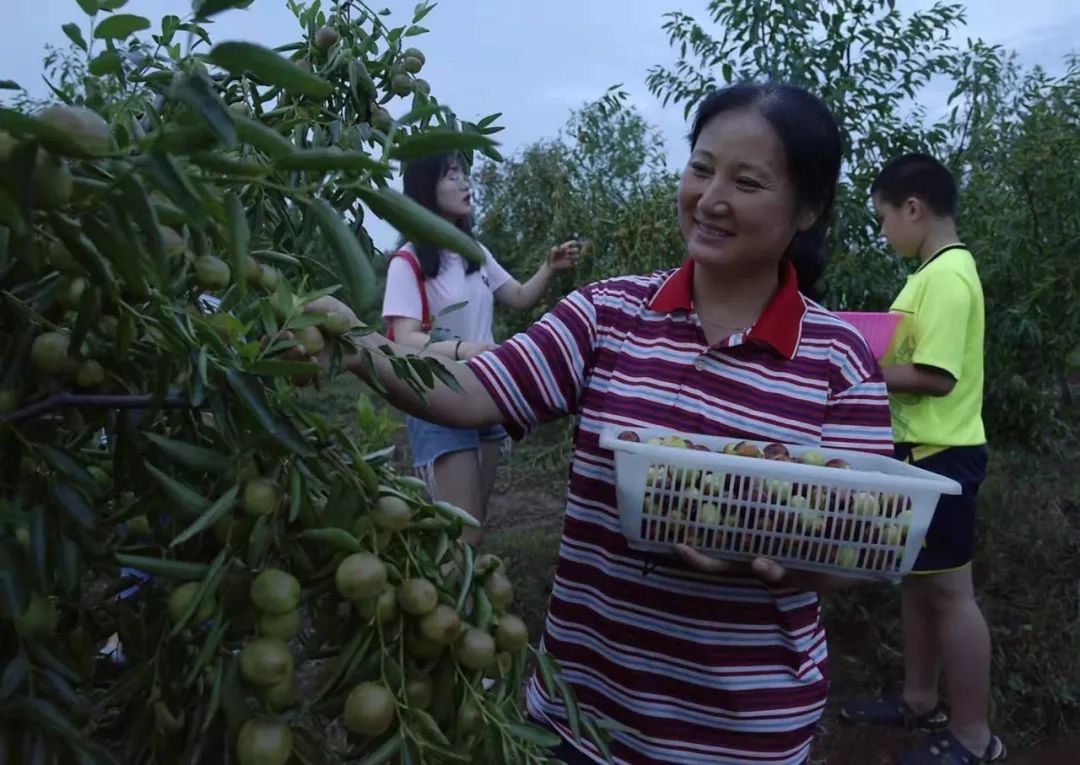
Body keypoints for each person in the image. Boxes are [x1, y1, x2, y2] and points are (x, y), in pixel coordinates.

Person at [305, 82, 894, 764]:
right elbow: (473, 390)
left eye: (748, 180)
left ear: (809, 208)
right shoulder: (609, 314)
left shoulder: (837, 356)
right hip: (578, 720)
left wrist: (791, 561)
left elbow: (865, 530)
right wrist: (354, 343)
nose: (711, 198)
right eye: (701, 167)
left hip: (742, 735)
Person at [840, 154, 1005, 764]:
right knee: (919, 582)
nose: (885, 233)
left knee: (950, 595)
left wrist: (861, 367)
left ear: (914, 208)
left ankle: (973, 737)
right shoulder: (933, 272)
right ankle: (917, 699)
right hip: (923, 453)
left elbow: (935, 376)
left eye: (885, 218)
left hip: (945, 456)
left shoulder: (948, 277)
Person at [381, 151, 580, 544]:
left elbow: (520, 297)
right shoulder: (407, 262)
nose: (464, 183)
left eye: (464, 174)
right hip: (438, 395)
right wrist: (464, 349)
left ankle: (462, 601)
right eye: (451, 174)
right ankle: (442, 600)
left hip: (487, 391)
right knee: (462, 533)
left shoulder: (475, 253)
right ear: (424, 188)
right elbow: (403, 340)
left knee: (476, 524)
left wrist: (549, 268)